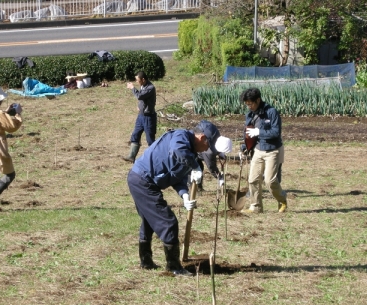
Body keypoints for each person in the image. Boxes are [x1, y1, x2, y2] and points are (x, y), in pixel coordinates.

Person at [127, 120, 231, 276]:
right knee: (168, 222)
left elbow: (177, 178)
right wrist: (195, 166)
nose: (208, 149)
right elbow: (178, 150)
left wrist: (185, 195)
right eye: (208, 144)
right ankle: (174, 266)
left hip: (145, 182)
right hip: (141, 180)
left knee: (150, 220)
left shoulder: (190, 153)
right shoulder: (181, 136)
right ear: (202, 137)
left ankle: (146, 261)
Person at [239, 87, 287, 214]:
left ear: (258, 100)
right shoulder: (250, 114)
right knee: (252, 179)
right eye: (246, 104)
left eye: (250, 103)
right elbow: (248, 133)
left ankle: (282, 200)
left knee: (269, 180)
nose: (248, 106)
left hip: (272, 150)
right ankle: (256, 207)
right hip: (258, 150)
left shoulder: (272, 112)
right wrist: (245, 146)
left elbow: (276, 132)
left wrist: (259, 132)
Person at [122, 70, 157, 163]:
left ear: (143, 79)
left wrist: (132, 88)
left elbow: (140, 96)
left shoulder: (150, 87)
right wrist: (140, 107)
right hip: (141, 116)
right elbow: (143, 100)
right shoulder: (143, 86)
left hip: (149, 118)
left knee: (150, 140)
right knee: (135, 135)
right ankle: (131, 156)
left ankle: (156, 159)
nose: (136, 82)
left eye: (138, 80)